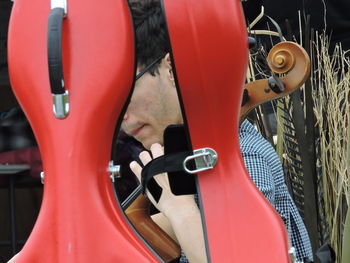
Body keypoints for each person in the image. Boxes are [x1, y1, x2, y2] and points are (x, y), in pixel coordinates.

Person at [123, 0, 313, 262]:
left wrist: (180, 210)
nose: (120, 114)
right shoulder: (189, 160)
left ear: (170, 68)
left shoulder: (243, 161)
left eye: (125, 89)